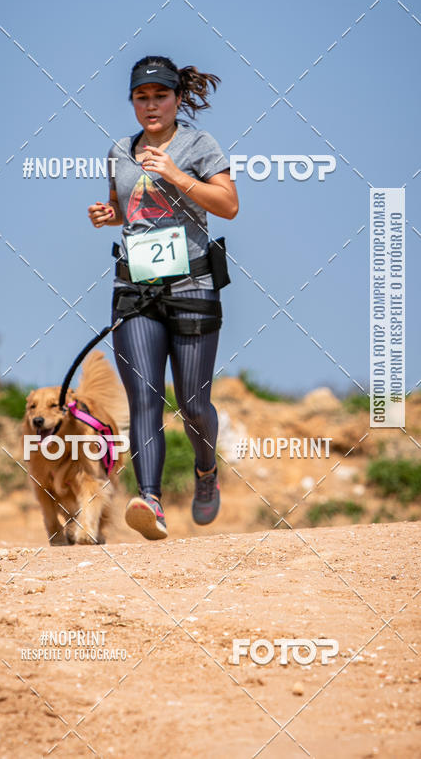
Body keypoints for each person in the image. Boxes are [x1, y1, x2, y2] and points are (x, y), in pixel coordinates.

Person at [87, 55, 238, 540]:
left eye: (160, 96)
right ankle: (150, 500)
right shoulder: (119, 150)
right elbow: (129, 209)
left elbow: (229, 205)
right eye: (142, 97)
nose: (151, 105)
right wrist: (107, 214)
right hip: (135, 290)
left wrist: (175, 174)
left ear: (177, 98)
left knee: (193, 403)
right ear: (132, 101)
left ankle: (205, 471)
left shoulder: (199, 144)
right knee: (145, 399)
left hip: (193, 286)